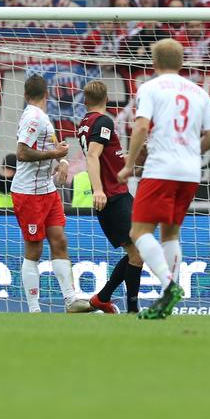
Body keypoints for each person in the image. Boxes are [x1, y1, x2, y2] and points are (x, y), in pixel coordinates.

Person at [117, 39, 210, 319]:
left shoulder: (150, 88)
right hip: (190, 172)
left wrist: (128, 165)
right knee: (170, 233)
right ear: (181, 63)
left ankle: (170, 286)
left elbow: (140, 127)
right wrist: (189, 152)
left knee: (138, 233)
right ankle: (168, 299)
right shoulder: (199, 92)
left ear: (154, 63)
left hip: (161, 169)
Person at [11, 74, 90, 313]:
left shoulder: (42, 117)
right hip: (29, 193)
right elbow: (22, 153)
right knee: (34, 250)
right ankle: (34, 309)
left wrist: (63, 161)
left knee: (60, 240)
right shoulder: (33, 118)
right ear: (47, 94)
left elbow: (52, 147)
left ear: (26, 95)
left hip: (47, 189)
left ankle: (70, 300)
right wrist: (54, 154)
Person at [78, 81, 144, 314]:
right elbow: (93, 156)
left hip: (115, 195)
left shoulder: (85, 123)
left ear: (85, 101)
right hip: (112, 197)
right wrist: (98, 189)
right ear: (106, 99)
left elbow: (104, 156)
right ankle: (132, 310)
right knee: (138, 253)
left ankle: (103, 298)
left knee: (135, 251)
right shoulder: (103, 121)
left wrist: (128, 158)